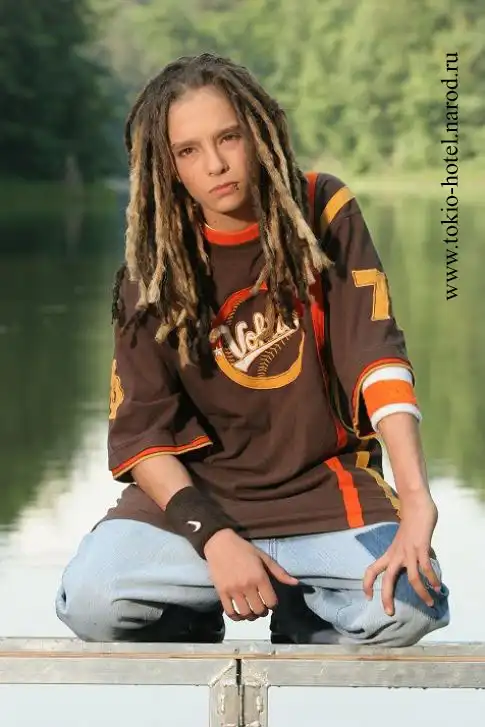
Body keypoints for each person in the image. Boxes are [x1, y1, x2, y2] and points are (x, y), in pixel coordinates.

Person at [55, 52, 450, 646]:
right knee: (90, 603)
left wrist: (417, 499)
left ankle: (303, 608)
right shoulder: (152, 266)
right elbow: (142, 437)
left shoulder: (322, 210)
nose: (215, 164)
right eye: (189, 151)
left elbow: (378, 357)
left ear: (259, 132)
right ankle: (199, 611)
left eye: (228, 137)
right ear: (168, 168)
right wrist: (214, 538)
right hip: (196, 503)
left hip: (323, 494)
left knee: (414, 603)